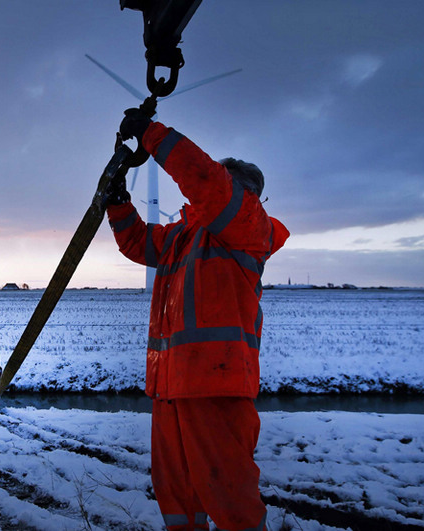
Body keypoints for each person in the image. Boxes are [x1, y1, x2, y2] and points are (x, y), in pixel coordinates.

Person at [105, 107, 289, 531]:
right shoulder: (182, 237)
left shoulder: (246, 226)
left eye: (226, 186)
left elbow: (206, 181)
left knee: (229, 495)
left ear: (246, 195)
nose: (196, 197)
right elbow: (137, 242)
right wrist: (118, 203)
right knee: (178, 496)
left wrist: (152, 136)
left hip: (215, 385)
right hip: (171, 387)